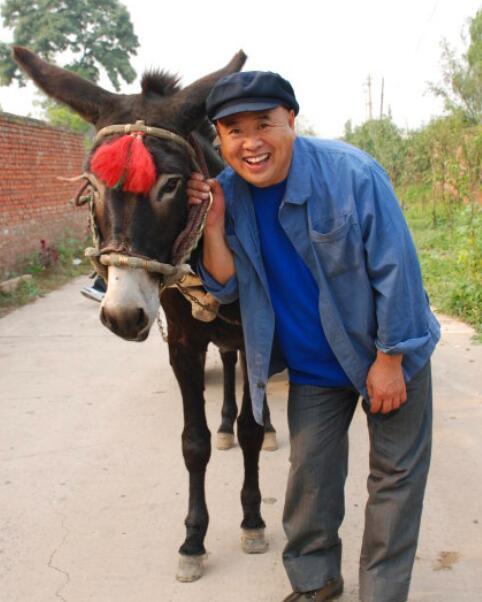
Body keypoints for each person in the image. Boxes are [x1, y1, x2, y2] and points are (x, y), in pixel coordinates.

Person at [187, 71, 440, 602]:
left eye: (264, 124)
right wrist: (212, 224)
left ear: (291, 123)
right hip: (315, 369)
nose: (251, 142)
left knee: (393, 481)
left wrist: (391, 359)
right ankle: (316, 580)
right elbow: (225, 288)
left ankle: (382, 593)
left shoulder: (352, 174)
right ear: (220, 139)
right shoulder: (228, 194)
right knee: (311, 480)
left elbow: (398, 272)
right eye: (234, 130)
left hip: (388, 354)